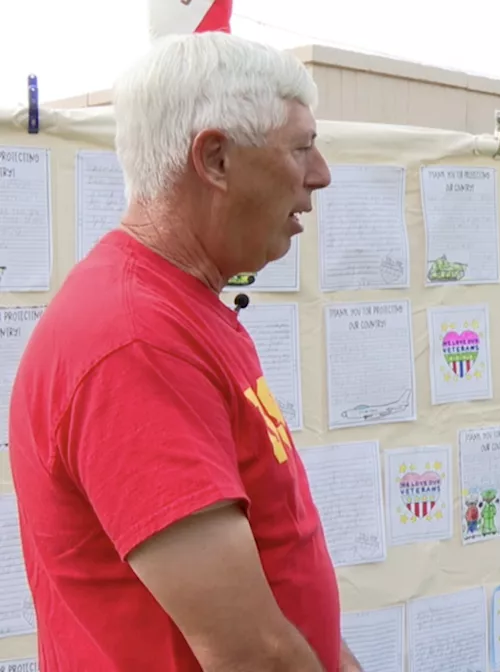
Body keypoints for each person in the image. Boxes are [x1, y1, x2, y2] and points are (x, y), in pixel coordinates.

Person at [7, 32, 366, 671]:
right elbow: (248, 653)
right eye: (301, 147)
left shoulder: (178, 309)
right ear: (216, 159)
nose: (321, 175)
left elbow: (279, 570)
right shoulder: (134, 339)